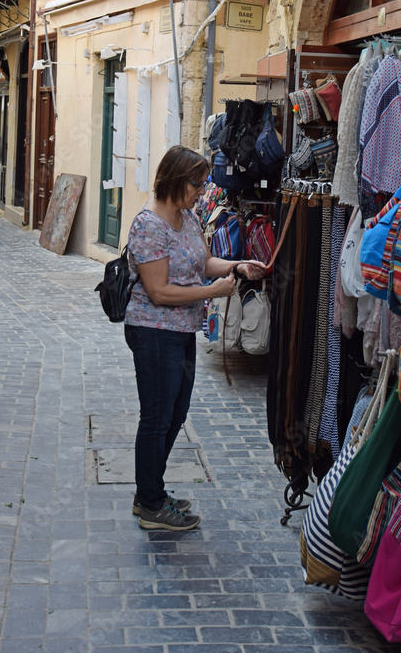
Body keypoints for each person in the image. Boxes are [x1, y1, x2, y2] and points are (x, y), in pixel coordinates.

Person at [125, 145, 266, 531]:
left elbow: (203, 263)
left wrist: (237, 266)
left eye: (204, 184)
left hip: (181, 331)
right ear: (174, 179)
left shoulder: (187, 218)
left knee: (176, 414)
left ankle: (149, 492)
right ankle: (152, 504)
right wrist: (211, 293)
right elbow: (159, 292)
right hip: (153, 332)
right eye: (197, 183)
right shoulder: (148, 225)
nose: (202, 191)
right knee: (156, 418)